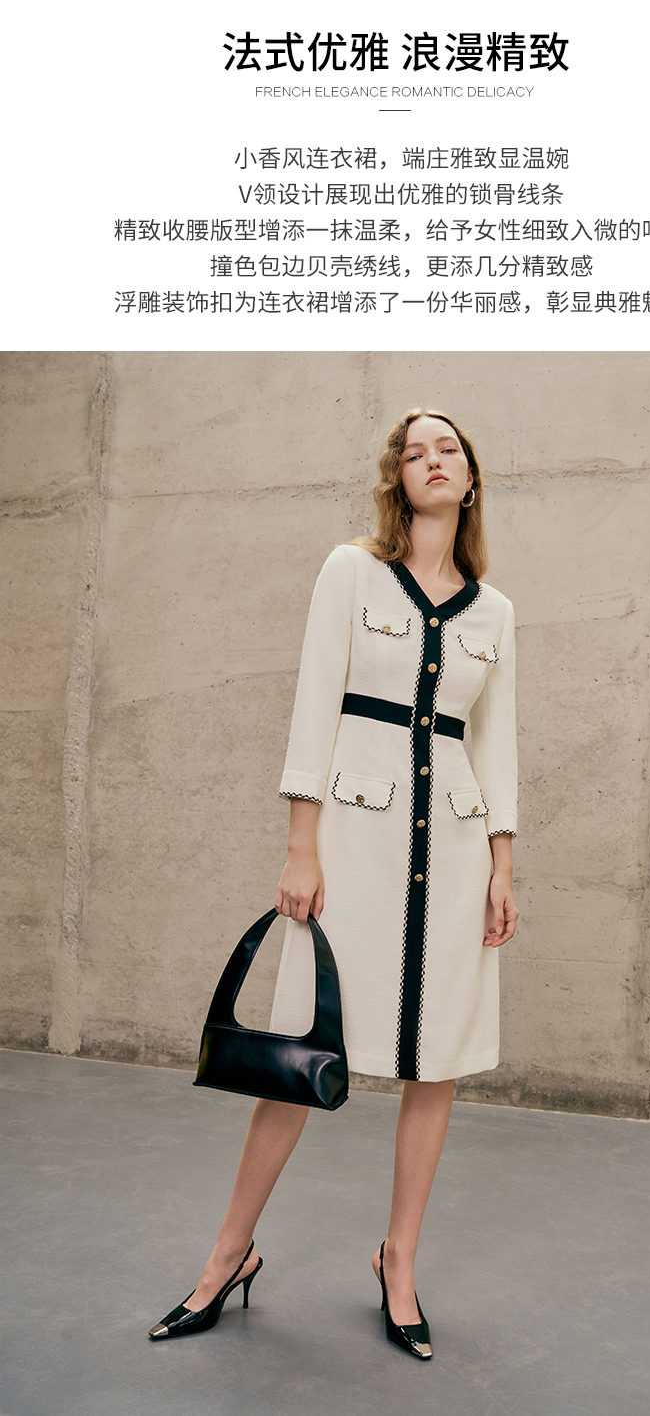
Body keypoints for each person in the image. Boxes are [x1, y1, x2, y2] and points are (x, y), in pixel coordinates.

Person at [148, 409, 519, 1359]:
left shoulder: (495, 611)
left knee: (434, 1063)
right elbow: (316, 703)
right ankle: (228, 1255)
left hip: (455, 858)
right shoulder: (350, 571)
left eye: (448, 448)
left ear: (470, 477)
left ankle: (399, 1262)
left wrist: (503, 864)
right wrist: (300, 846)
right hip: (354, 845)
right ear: (398, 478)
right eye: (414, 451)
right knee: (300, 1051)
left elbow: (496, 742)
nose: (432, 460)